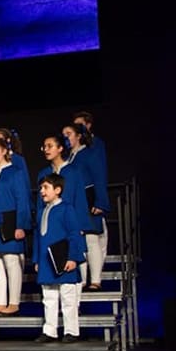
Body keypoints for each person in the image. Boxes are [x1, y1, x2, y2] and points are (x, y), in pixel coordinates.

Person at [0, 137, 31, 316]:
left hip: (11, 220)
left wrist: (21, 225)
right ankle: (1, 302)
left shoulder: (15, 172)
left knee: (11, 260)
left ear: (4, 151)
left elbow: (22, 200)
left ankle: (14, 302)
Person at [33, 174, 85, 343]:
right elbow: (38, 238)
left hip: (64, 259)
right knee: (48, 297)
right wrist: (37, 260)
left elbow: (74, 234)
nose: (42, 191)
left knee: (68, 298)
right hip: (46, 260)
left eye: (46, 187)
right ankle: (50, 330)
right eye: (41, 188)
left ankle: (71, 331)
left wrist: (72, 258)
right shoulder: (42, 211)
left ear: (57, 190)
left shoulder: (66, 208)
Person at [64, 123, 110, 291]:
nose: (66, 137)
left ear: (79, 136)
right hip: (75, 199)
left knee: (91, 239)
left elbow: (99, 176)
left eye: (68, 133)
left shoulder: (89, 153)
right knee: (78, 239)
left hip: (89, 196)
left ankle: (95, 280)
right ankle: (81, 280)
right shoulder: (69, 157)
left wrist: (100, 202)